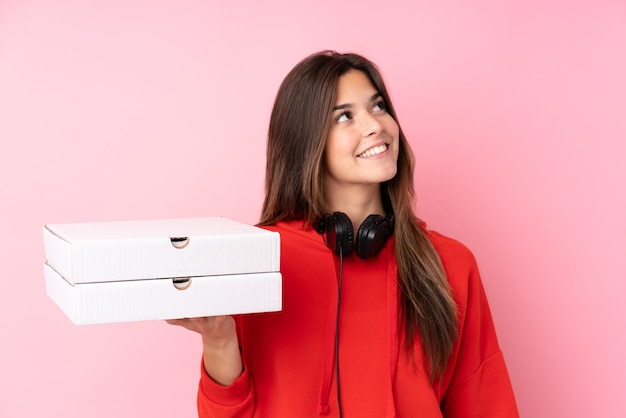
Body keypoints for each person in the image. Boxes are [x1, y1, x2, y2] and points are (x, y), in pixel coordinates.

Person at [168, 50, 519, 417]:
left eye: (379, 106)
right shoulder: (256, 261)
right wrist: (219, 339)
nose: (374, 126)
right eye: (345, 116)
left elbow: (487, 405)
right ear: (307, 141)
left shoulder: (450, 265)